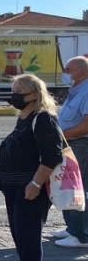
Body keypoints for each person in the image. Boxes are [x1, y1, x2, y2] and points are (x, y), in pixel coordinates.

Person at [0, 74, 63, 261]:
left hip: (30, 189)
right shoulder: (25, 116)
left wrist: (35, 183)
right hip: (15, 188)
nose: (14, 95)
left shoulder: (43, 118)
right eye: (13, 90)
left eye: (20, 91)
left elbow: (52, 156)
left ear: (34, 95)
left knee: (28, 234)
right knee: (20, 233)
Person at [53, 56, 88, 248]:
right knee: (67, 186)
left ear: (81, 73)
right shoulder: (76, 89)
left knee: (79, 190)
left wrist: (59, 136)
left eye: (68, 69)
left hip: (81, 146)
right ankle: (71, 228)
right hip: (70, 145)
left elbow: (85, 126)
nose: (65, 73)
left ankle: (81, 235)